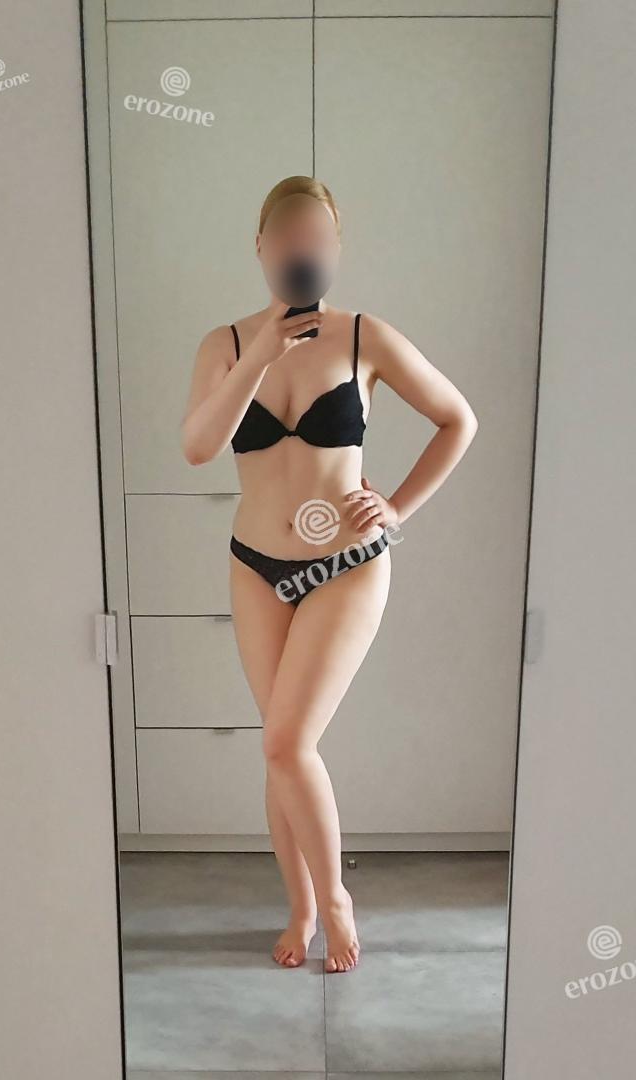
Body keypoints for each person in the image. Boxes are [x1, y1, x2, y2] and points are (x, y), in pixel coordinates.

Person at [180, 176, 478, 972]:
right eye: (287, 235)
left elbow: (457, 419)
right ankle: (301, 906)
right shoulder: (225, 345)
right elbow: (198, 447)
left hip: (345, 566)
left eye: (316, 238)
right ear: (262, 246)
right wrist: (265, 352)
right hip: (255, 567)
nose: (300, 248)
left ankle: (335, 897)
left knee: (286, 741)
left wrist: (397, 508)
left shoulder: (362, 337)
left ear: (334, 251)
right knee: (281, 750)